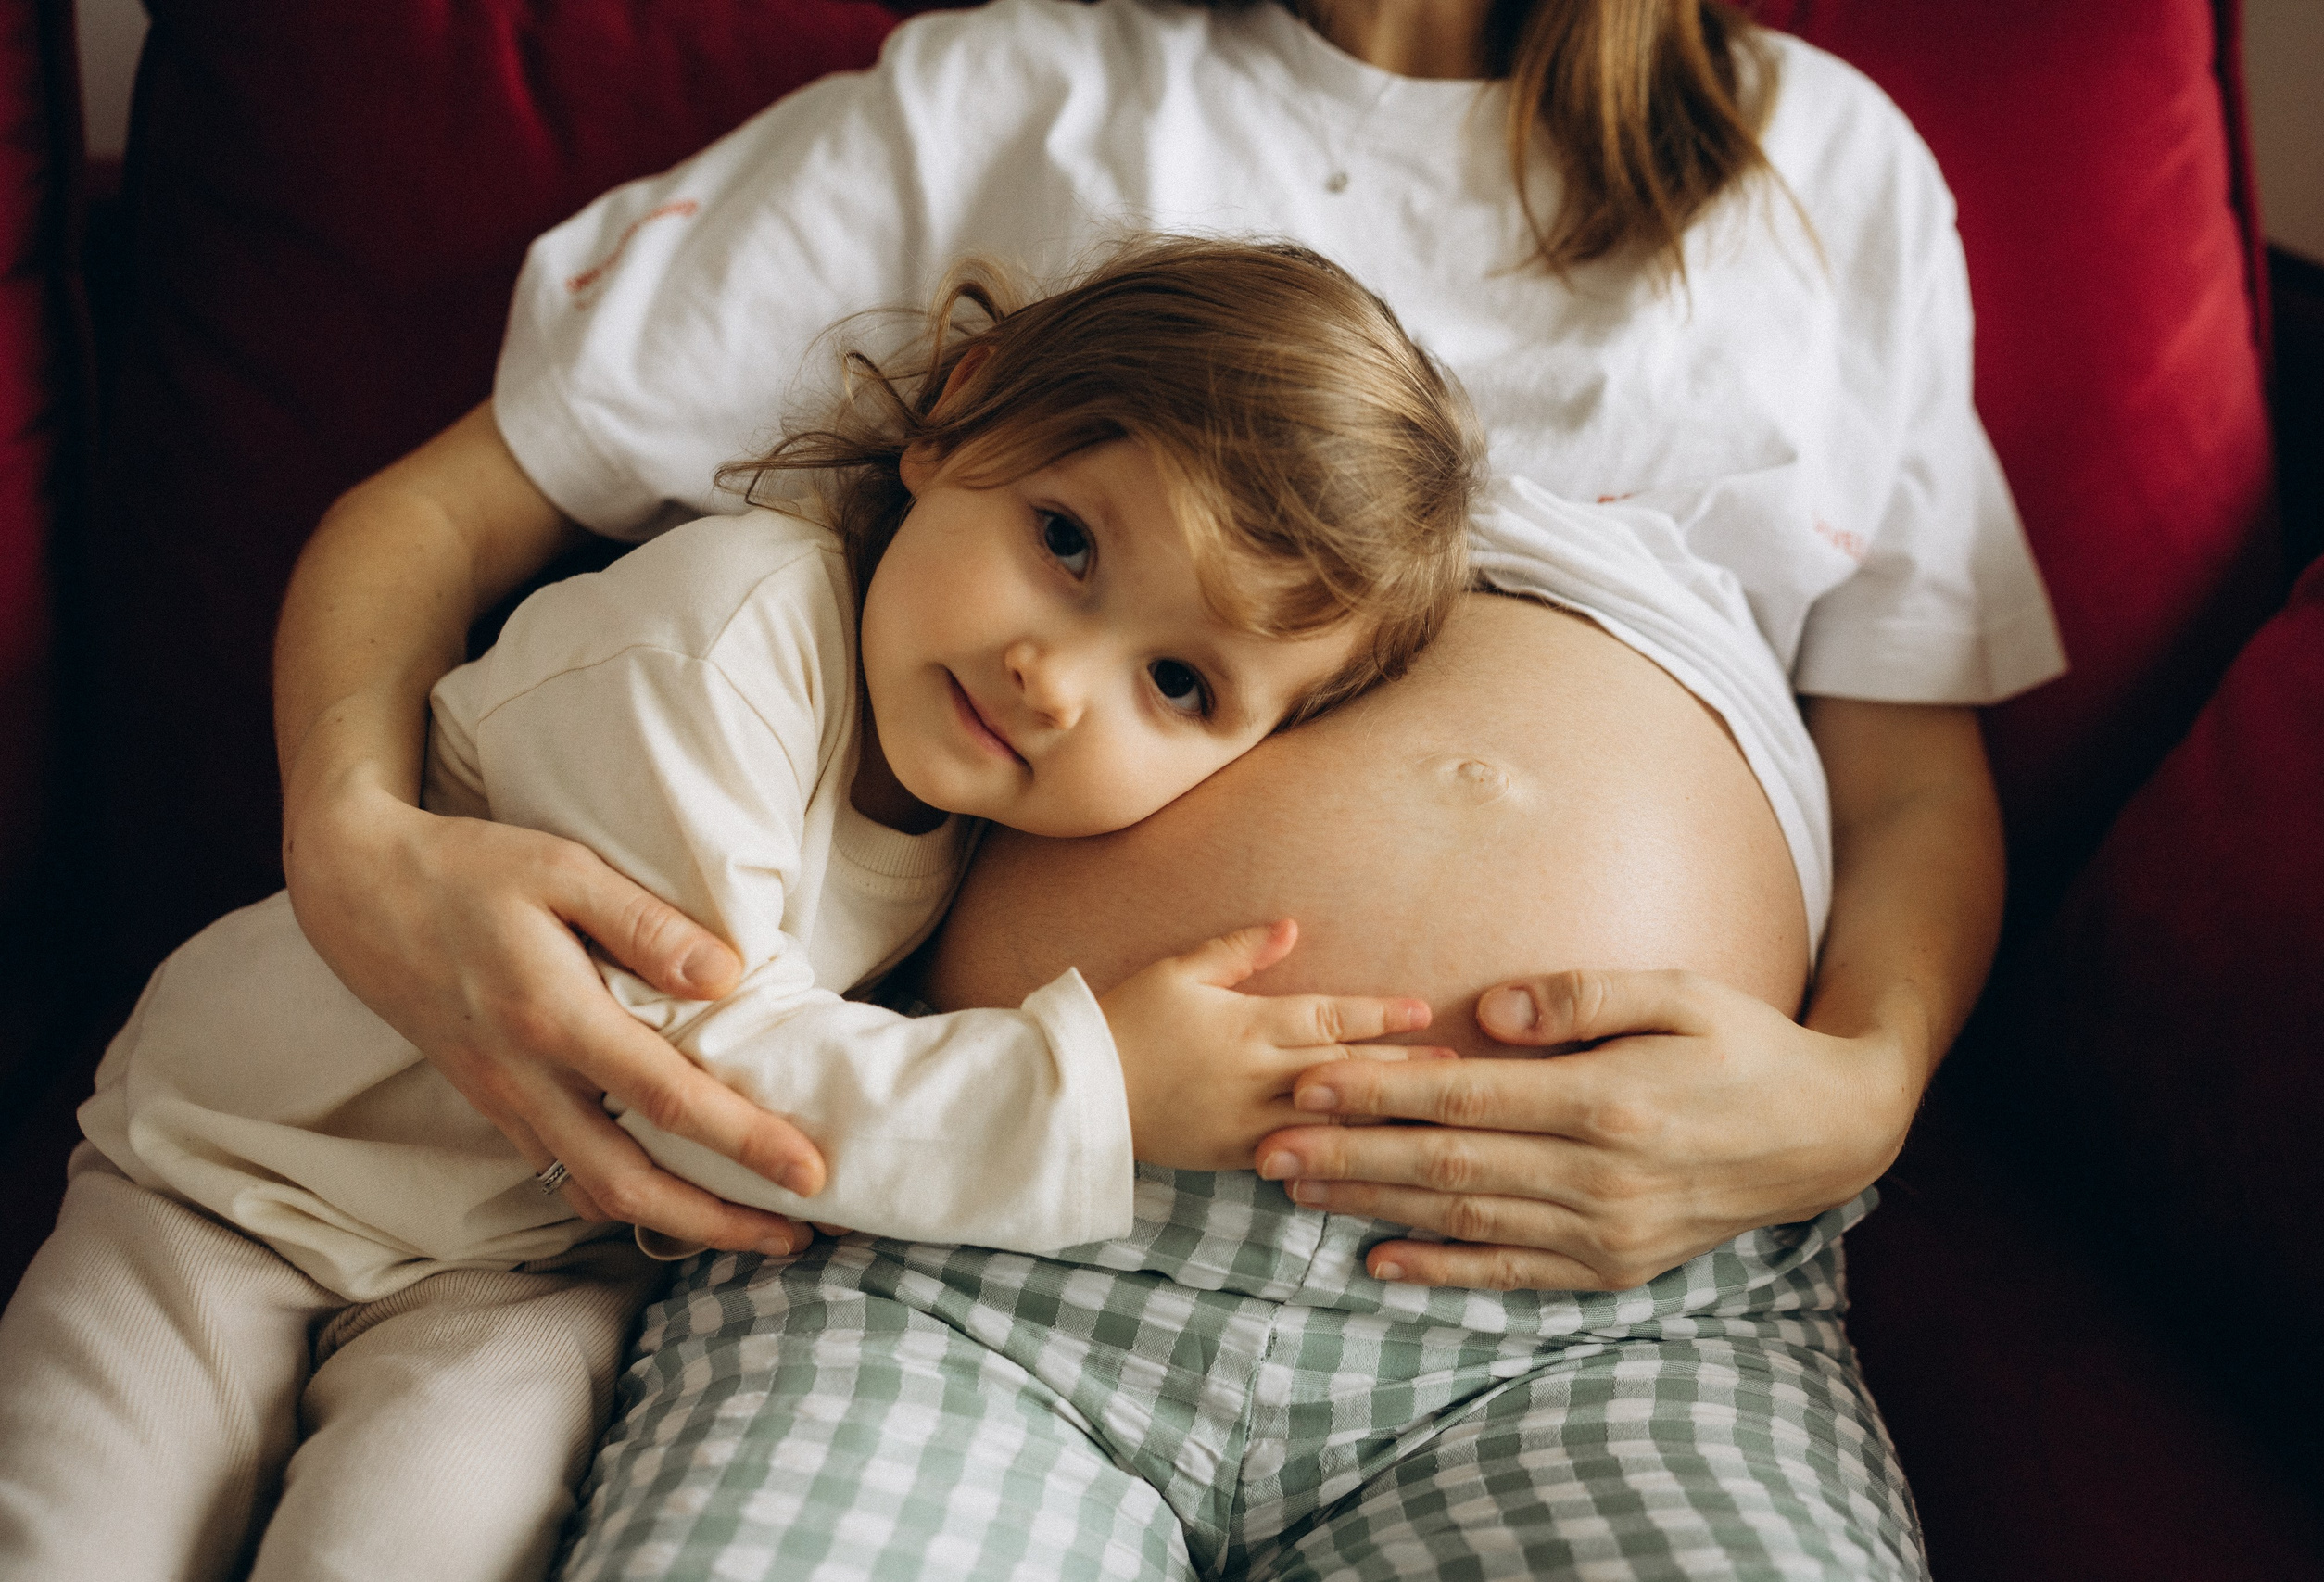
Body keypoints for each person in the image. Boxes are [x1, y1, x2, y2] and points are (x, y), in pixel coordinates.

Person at [271, 1, 2065, 1576]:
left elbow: (1909, 772)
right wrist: (357, 834)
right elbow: (439, 510)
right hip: (965, 1225)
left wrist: (1865, 1082)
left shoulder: (1826, 168)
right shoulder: (1009, 91)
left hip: (1604, 1289)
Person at [0, 238, 1483, 1582]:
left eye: (1178, 684)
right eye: (1069, 542)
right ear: (956, 416)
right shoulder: (723, 641)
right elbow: (692, 1075)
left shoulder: (983, 809)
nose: (1055, 676)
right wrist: (1095, 1088)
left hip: (524, 1269)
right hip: (245, 1173)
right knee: (73, 1535)